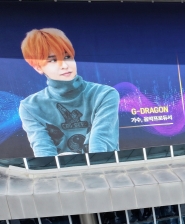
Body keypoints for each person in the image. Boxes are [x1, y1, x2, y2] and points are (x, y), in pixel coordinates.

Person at [19, 28, 119, 157]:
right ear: (38, 67)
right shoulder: (30, 107)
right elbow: (43, 151)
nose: (65, 65)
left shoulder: (105, 94)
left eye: (67, 57)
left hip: (102, 169)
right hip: (61, 175)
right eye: (53, 60)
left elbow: (101, 141)